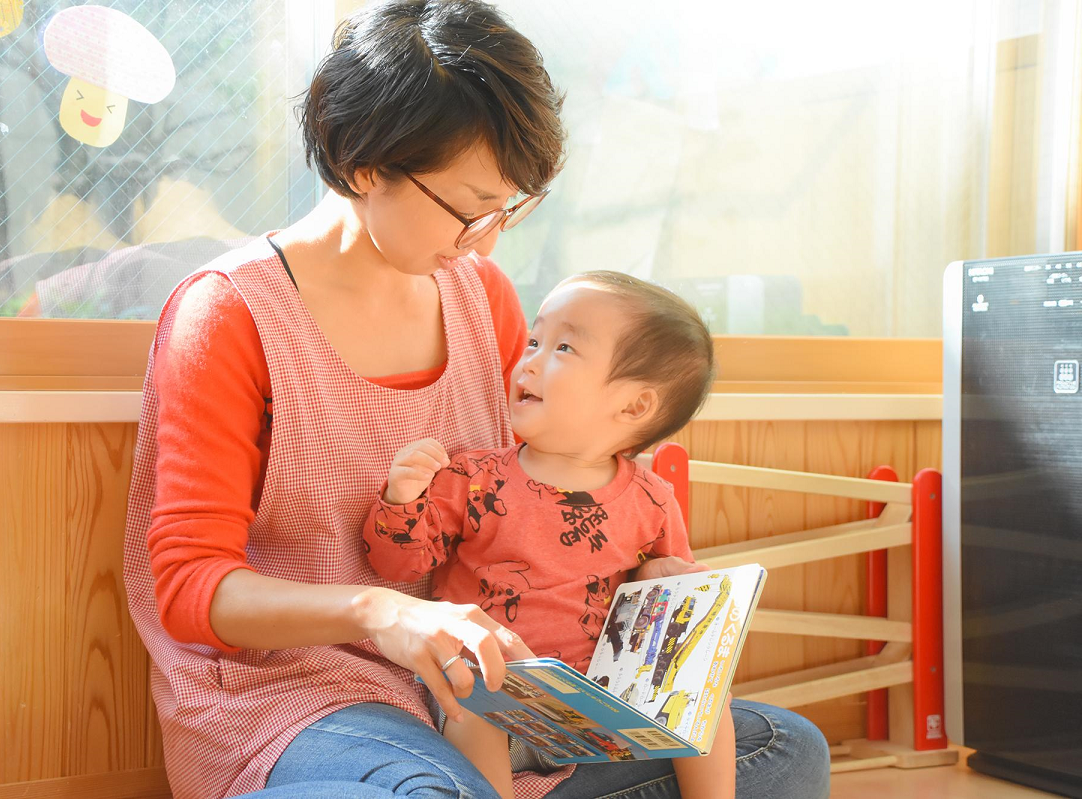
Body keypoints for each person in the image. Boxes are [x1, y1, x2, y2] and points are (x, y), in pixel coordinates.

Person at [122, 2, 832, 797]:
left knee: (783, 748)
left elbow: (529, 489)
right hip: (300, 695)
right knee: (433, 791)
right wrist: (380, 613)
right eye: (469, 208)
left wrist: (645, 580)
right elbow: (191, 587)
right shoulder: (230, 313)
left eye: (507, 208)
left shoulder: (482, 296)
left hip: (476, 687)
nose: (488, 240)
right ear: (366, 163)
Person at [364, 271, 738, 799]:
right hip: (497, 698)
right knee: (473, 698)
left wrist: (663, 576)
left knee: (709, 693)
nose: (531, 360)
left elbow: (668, 616)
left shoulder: (652, 499)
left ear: (634, 407)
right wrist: (402, 499)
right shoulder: (474, 477)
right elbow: (397, 566)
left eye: (564, 347)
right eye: (535, 340)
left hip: (600, 706)